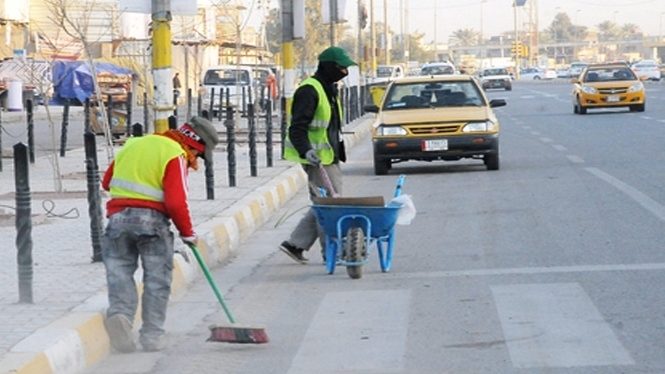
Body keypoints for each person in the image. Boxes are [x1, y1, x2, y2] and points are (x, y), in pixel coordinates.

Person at [101, 116, 219, 353]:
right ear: (194, 145)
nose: (194, 161)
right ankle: (152, 335)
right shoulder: (175, 154)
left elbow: (107, 182)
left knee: (120, 273)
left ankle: (121, 317)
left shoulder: (133, 145)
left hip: (118, 220)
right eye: (197, 156)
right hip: (152, 224)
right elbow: (176, 202)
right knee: (157, 279)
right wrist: (188, 233)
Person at [279, 46, 357, 263]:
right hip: (317, 159)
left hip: (329, 156)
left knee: (324, 203)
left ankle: (295, 244)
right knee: (330, 206)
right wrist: (307, 151)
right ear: (329, 67)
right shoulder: (309, 90)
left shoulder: (328, 89)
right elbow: (297, 128)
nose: (345, 72)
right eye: (341, 68)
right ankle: (332, 253)